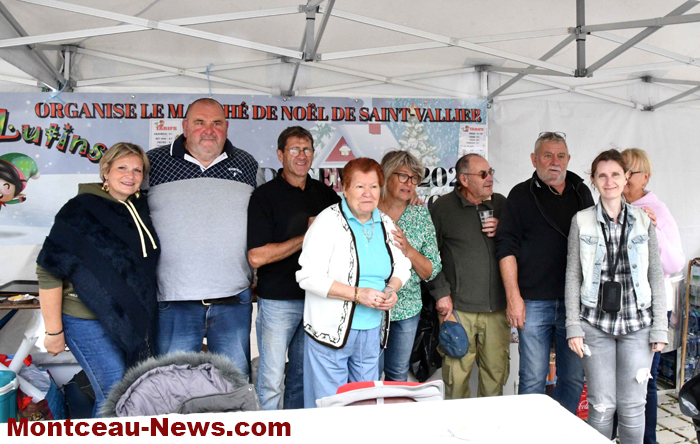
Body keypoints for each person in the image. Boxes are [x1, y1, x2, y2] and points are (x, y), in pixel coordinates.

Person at [36, 142, 159, 417]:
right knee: (115, 391)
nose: (130, 175)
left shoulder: (141, 209)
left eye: (137, 170)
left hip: (128, 321)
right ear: (106, 170)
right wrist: (53, 331)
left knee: (126, 394)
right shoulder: (79, 209)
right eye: (122, 168)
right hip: (85, 319)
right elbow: (49, 269)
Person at [146, 98, 263, 380]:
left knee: (234, 383)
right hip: (174, 300)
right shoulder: (153, 162)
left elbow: (261, 223)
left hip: (233, 299)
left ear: (227, 127)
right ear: (185, 127)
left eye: (217, 123)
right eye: (200, 122)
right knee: (171, 385)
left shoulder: (247, 164)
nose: (208, 130)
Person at [566, 149, 667, 443]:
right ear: (594, 181)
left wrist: (660, 325)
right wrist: (574, 326)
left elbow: (656, 275)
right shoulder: (581, 221)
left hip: (638, 323)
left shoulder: (644, 220)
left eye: (615, 175)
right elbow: (573, 275)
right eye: (602, 175)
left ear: (626, 179)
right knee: (601, 405)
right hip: (595, 324)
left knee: (633, 407)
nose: (609, 181)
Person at [296, 157, 411, 408]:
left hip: (371, 331)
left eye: (373, 187)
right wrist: (357, 294)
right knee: (330, 406)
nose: (367, 194)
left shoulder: (385, 222)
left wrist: (392, 289)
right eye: (360, 187)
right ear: (345, 189)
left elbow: (403, 265)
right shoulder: (327, 222)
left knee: (366, 405)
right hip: (330, 333)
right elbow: (307, 277)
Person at [496, 131, 594, 414]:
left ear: (568, 159)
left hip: (574, 304)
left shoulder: (581, 191)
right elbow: (505, 248)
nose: (555, 162)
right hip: (533, 302)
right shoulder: (519, 195)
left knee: (574, 378)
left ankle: (561, 434)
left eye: (560, 156)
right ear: (534, 159)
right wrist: (514, 297)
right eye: (548, 155)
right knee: (532, 379)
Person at [247, 126, 340, 410]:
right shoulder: (264, 196)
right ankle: (268, 433)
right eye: (294, 150)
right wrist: (307, 236)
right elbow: (256, 257)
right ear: (280, 155)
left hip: (316, 300)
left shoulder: (326, 196)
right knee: (272, 379)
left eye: (307, 149)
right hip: (277, 302)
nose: (302, 156)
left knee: (301, 377)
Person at [427, 153, 510, 398]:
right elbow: (428, 254)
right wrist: (441, 294)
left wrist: (503, 227)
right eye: (483, 174)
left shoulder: (501, 204)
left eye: (491, 171)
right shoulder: (443, 208)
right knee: (457, 378)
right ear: (464, 179)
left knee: (495, 376)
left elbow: (521, 246)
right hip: (458, 309)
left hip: (497, 309)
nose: (490, 178)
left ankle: (490, 434)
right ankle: (457, 433)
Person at [621, 148, 685, 444]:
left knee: (643, 380)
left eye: (629, 173)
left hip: (650, 311)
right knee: (619, 382)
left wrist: (653, 230)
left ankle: (647, 441)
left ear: (645, 177)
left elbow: (675, 264)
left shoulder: (656, 210)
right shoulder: (613, 206)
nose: (623, 179)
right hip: (617, 311)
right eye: (620, 172)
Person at [376, 150, 441, 382]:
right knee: (367, 375)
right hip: (368, 307)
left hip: (406, 310)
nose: (409, 183)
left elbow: (431, 270)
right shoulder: (366, 208)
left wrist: (409, 251)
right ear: (385, 175)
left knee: (397, 374)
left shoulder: (420, 214)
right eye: (403, 176)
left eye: (414, 178)